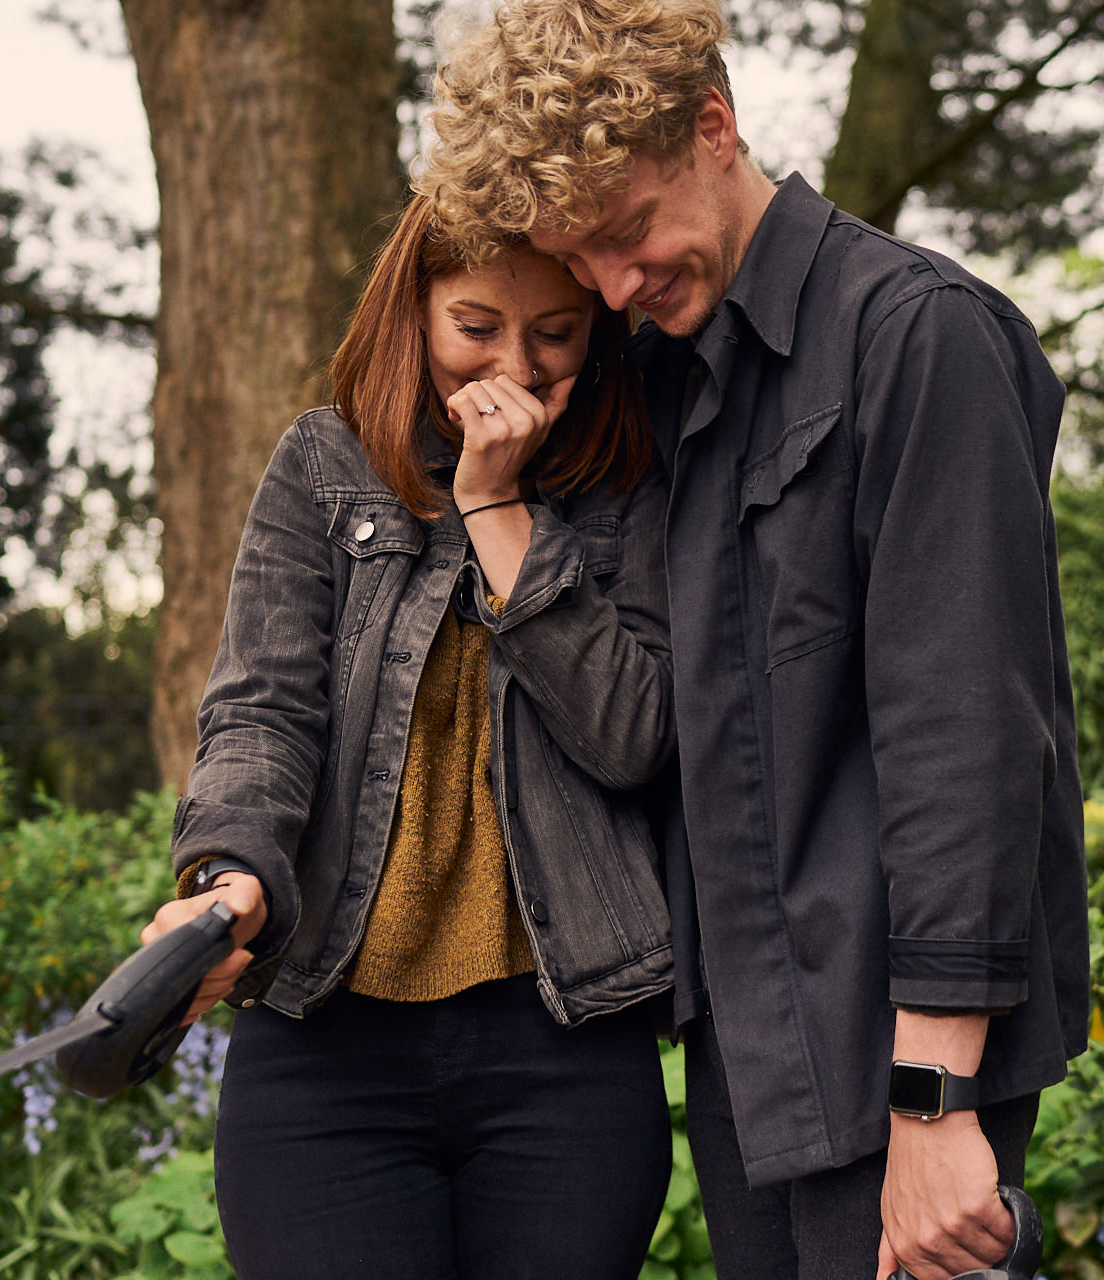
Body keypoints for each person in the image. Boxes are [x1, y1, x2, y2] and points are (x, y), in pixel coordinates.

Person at [417, 3, 1090, 1279]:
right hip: (751, 1050)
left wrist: (934, 1100)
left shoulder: (918, 335)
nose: (615, 287)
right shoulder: (669, 376)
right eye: (581, 258)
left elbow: (967, 738)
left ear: (713, 128)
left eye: (626, 230)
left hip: (897, 1048)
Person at [137, 192, 675, 1279]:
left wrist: (497, 505)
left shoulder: (633, 485)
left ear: (601, 328)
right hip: (326, 1044)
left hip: (566, 1048)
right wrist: (231, 875)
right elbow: (261, 711)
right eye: (476, 326)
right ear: (415, 309)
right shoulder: (323, 466)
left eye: (555, 333)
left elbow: (631, 737)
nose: (514, 369)